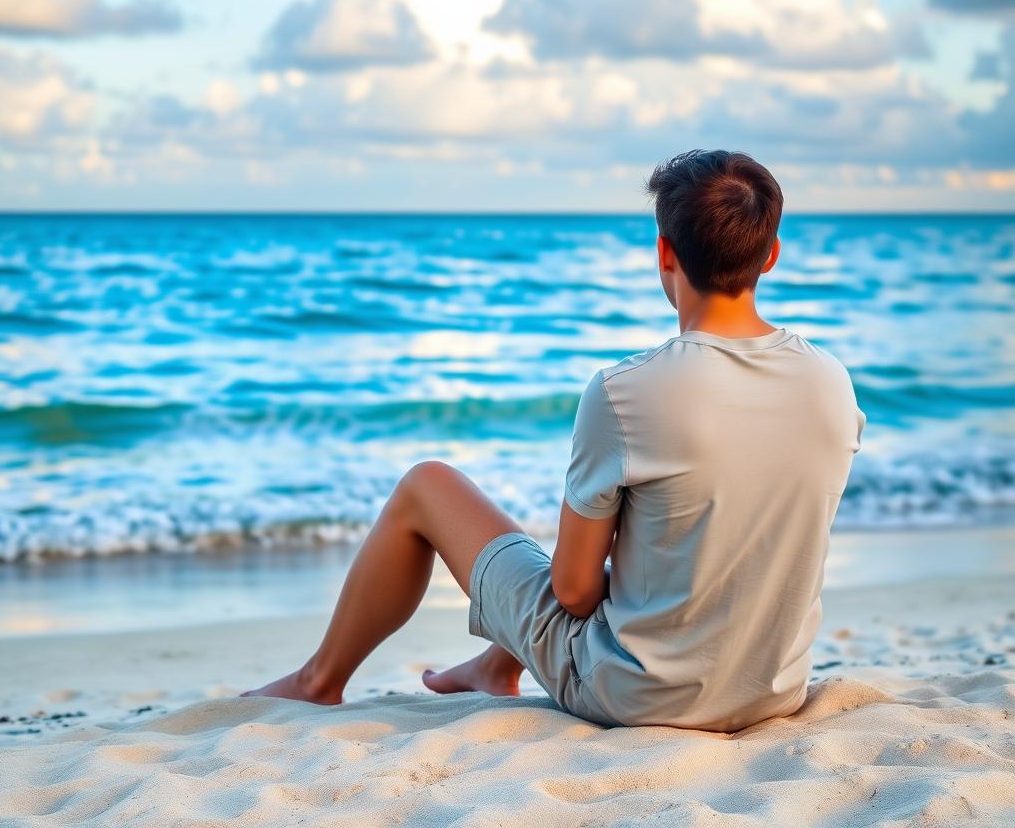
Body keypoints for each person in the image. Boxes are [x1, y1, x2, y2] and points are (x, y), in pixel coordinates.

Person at [243, 149, 866, 732]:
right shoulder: (830, 382)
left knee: (426, 485)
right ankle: (494, 667)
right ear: (773, 253)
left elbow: (570, 593)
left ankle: (318, 680)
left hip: (640, 695)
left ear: (664, 254)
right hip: (771, 691)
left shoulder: (627, 392)